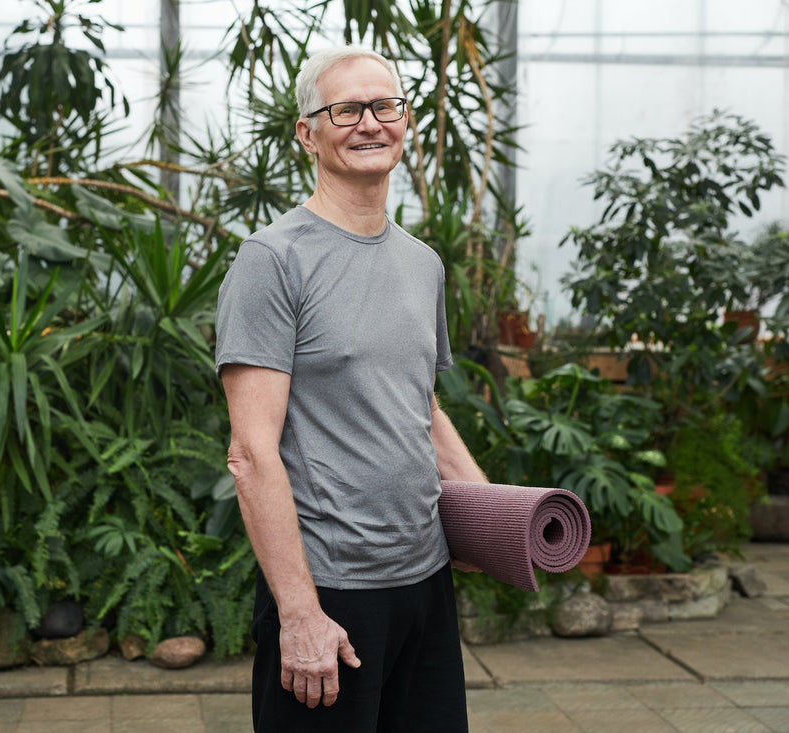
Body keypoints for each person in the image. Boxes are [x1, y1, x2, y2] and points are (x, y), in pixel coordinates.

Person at [214, 45, 488, 732]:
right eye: (347, 109)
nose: (371, 122)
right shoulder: (273, 262)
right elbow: (251, 452)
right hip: (331, 589)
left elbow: (419, 409)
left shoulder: (422, 264)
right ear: (307, 132)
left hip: (425, 582)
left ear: (406, 121)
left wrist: (494, 521)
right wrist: (300, 613)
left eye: (385, 105)